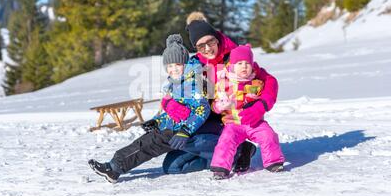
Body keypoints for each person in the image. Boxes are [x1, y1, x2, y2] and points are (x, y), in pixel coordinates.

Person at [162, 12, 279, 174]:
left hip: (232, 121)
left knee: (186, 144)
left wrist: (261, 105)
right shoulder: (195, 64)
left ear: (216, 37)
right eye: (201, 46)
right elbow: (174, 86)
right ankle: (235, 152)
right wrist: (167, 103)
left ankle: (236, 150)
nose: (208, 48)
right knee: (171, 167)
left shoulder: (236, 56)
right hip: (205, 118)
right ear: (196, 47)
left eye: (210, 41)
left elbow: (269, 81)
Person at [88, 34, 210, 183]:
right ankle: (115, 165)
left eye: (178, 65)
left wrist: (185, 131)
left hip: (181, 131)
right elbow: (176, 112)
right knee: (147, 145)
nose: (174, 69)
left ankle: (114, 168)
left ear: (185, 64)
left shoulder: (192, 83)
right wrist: (157, 121)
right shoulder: (176, 83)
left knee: (148, 145)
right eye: (170, 66)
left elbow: (202, 111)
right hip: (173, 127)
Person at [210, 44, 285, 180]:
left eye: (247, 63)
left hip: (255, 123)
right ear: (232, 65)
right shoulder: (223, 83)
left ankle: (274, 162)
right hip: (233, 123)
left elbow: (268, 88)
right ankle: (220, 168)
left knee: (268, 135)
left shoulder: (257, 81)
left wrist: (260, 106)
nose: (244, 66)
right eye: (239, 63)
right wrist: (219, 106)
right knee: (225, 141)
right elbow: (214, 103)